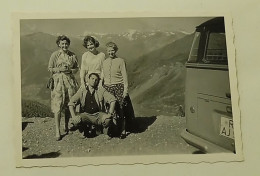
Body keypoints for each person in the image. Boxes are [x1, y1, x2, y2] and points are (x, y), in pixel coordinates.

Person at [48, 35, 79, 141]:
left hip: (70, 83)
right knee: (57, 106)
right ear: (59, 44)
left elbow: (76, 69)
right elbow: (50, 68)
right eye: (62, 44)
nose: (64, 45)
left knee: (69, 105)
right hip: (58, 84)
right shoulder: (55, 55)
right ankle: (57, 130)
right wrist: (60, 69)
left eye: (66, 43)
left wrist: (70, 70)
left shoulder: (72, 55)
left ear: (68, 44)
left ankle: (66, 126)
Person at [101, 42, 135, 139]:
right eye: (109, 51)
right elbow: (102, 76)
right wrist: (101, 87)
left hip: (119, 87)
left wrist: (125, 90)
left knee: (121, 109)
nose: (111, 52)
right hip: (107, 87)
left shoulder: (120, 61)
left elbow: (125, 77)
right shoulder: (105, 62)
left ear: (115, 50)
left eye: (112, 50)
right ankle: (111, 130)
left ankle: (123, 130)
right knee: (109, 110)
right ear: (106, 51)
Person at [68, 73, 117, 138]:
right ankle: (84, 130)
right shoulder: (82, 91)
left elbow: (113, 99)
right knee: (76, 121)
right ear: (88, 79)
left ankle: (104, 131)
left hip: (98, 115)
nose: (94, 81)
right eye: (92, 79)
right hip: (86, 115)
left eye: (96, 80)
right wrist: (74, 116)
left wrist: (109, 114)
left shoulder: (100, 90)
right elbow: (71, 103)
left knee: (108, 120)